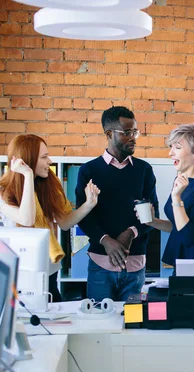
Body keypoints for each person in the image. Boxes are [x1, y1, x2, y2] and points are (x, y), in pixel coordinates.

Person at [0, 134, 100, 302]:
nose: (50, 161)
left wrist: (88, 205)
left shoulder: (48, 185)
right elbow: (27, 219)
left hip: (49, 272)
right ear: (27, 160)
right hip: (20, 277)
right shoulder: (3, 192)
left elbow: (65, 223)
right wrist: (27, 176)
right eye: (44, 157)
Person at [76, 106, 158, 302]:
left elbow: (151, 216)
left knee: (133, 325)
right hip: (100, 264)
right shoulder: (89, 171)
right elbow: (83, 218)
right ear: (109, 133)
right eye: (127, 133)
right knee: (99, 323)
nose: (133, 137)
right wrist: (106, 240)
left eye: (135, 132)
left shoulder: (144, 170)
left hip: (136, 265)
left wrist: (130, 233)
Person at [138, 124, 194, 271]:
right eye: (171, 147)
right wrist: (152, 222)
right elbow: (177, 227)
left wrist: (176, 199)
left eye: (177, 147)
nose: (170, 153)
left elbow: (190, 239)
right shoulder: (180, 180)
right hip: (183, 264)